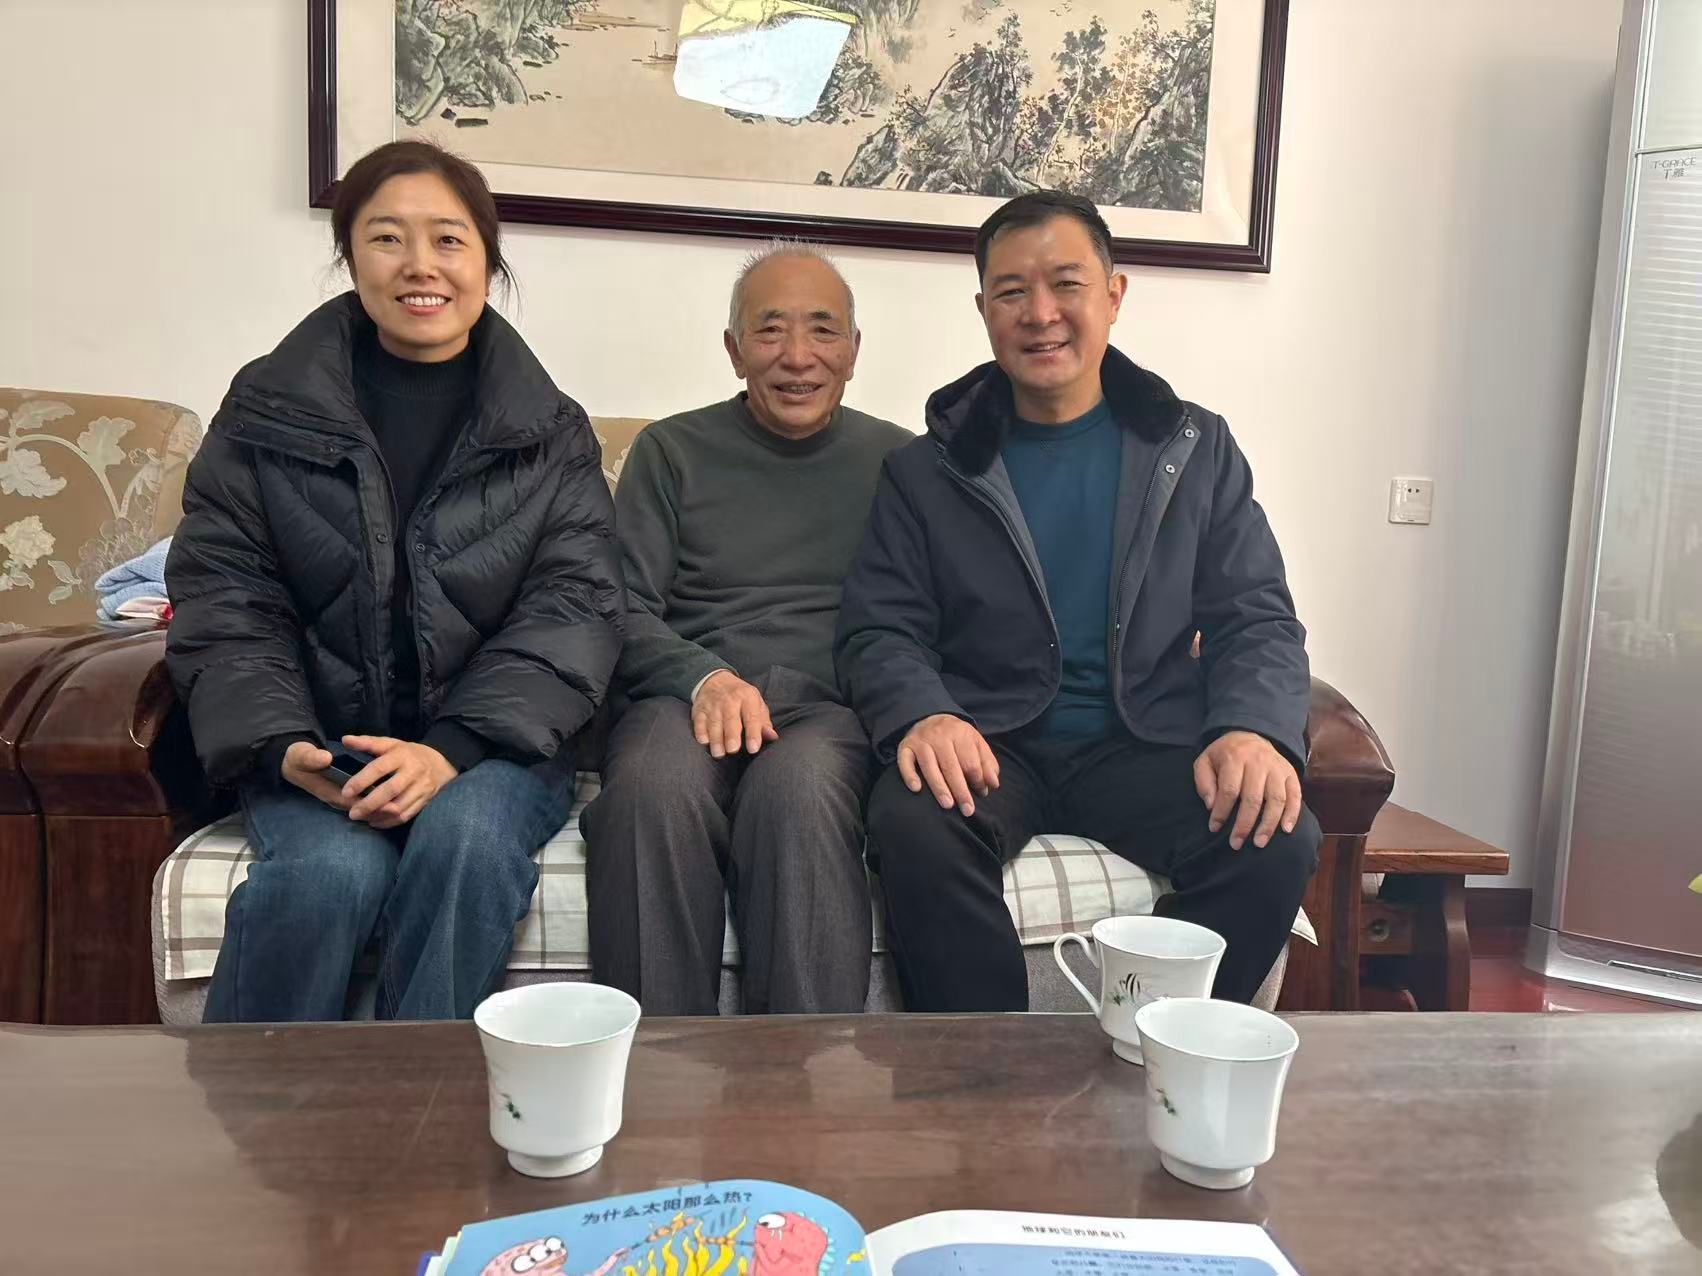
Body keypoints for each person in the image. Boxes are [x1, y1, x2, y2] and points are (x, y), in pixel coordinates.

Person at [165, 139, 623, 1023]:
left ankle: (420, 1102)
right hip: (322, 742)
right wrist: (282, 744)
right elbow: (226, 594)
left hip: (492, 750)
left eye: (448, 239)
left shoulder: (548, 430)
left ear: (488, 260)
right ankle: (255, 1110)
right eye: (387, 238)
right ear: (349, 255)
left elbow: (575, 605)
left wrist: (449, 749)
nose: (420, 266)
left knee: (466, 844)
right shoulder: (266, 413)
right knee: (326, 874)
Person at [835, 192, 1319, 1012]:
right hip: (992, 739)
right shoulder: (926, 470)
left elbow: (1256, 616)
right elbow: (879, 628)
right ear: (984, 310)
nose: (1041, 314)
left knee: (1276, 835)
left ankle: (1154, 1036)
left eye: (1067, 284)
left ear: (1114, 295)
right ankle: (987, 1068)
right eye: (1012, 292)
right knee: (913, 821)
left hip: (1144, 738)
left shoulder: (1193, 448)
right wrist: (925, 713)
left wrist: (1252, 727)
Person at [582, 242, 910, 1015]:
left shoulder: (901, 462)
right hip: (686, 699)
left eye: (823, 330)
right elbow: (619, 606)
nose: (797, 356)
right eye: (770, 330)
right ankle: (658, 1064)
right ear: (734, 350)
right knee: (650, 791)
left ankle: (797, 1076)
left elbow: (926, 617)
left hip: (830, 709)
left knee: (798, 794)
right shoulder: (670, 452)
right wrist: (703, 677)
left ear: (854, 351)